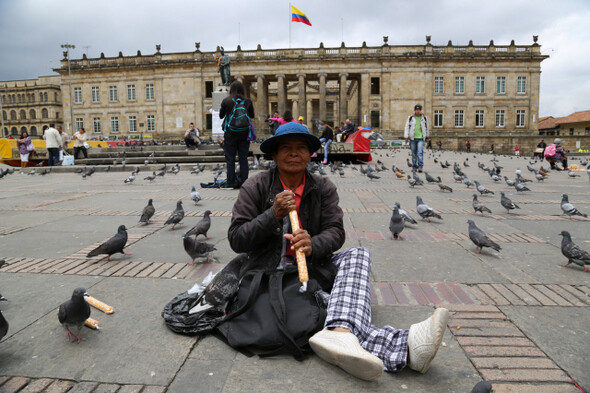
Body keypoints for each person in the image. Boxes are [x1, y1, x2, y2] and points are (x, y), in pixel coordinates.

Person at [228, 122, 449, 381]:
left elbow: (336, 232)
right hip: (270, 273)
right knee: (337, 304)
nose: (293, 153)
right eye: (285, 148)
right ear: (274, 155)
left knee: (359, 255)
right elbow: (237, 240)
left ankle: (341, 332)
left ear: (310, 154)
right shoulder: (255, 187)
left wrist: (313, 245)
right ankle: (404, 348)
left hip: (312, 268)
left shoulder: (322, 186)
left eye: (300, 148)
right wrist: (271, 215)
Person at [219, 80, 254, 189]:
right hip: (244, 134)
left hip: (230, 133)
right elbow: (251, 116)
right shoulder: (248, 101)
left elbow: (221, 116)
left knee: (230, 159)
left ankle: (231, 182)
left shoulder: (227, 101)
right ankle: (244, 182)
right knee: (243, 158)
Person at [404, 104, 429, 173]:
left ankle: (420, 166)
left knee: (420, 152)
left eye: (419, 110)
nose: (418, 111)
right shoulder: (410, 117)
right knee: (414, 153)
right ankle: (414, 166)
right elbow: (406, 127)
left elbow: (427, 128)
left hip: (421, 138)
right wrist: (406, 137)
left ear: (421, 110)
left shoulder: (424, 117)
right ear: (414, 110)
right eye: (416, 110)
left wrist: (427, 136)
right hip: (412, 138)